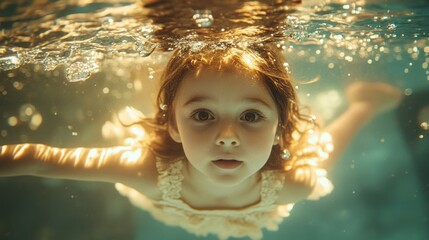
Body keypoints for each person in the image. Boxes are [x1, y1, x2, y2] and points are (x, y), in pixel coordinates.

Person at [0, 44, 402, 240]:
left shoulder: (293, 181)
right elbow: (41, 158)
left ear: (280, 128)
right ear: (173, 126)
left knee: (317, 159)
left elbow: (40, 159)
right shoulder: (144, 170)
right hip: (165, 196)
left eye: (250, 116)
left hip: (269, 190)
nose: (227, 137)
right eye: (203, 116)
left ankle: (361, 106)